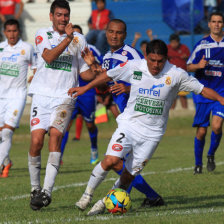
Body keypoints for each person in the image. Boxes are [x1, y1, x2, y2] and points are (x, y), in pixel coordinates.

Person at [69, 39, 224, 216]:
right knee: (110, 160)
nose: (156, 65)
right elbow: (108, 75)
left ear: (166, 59)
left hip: (152, 134)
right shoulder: (135, 66)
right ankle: (87, 195)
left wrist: (221, 99)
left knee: (129, 175)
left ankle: (103, 202)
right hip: (129, 125)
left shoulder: (176, 74)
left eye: (160, 61)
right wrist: (85, 88)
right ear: (146, 57)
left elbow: (202, 89)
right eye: (152, 60)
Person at [74, 20, 166, 215]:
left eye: (118, 33)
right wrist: (95, 67)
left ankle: (115, 199)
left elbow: (152, 79)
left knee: (117, 163)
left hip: (139, 119)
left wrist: (129, 87)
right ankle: (151, 197)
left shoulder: (132, 54)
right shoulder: (107, 57)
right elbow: (105, 86)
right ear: (106, 33)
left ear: (124, 35)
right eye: (111, 32)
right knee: (120, 164)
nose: (114, 36)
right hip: (126, 118)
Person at [28, 0, 95, 211]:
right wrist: (68, 38)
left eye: (66, 15)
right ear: (51, 16)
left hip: (65, 97)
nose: (63, 18)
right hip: (41, 96)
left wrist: (94, 67)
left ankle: (46, 192)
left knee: (56, 137)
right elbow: (48, 57)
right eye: (59, 15)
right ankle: (35, 188)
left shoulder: (80, 39)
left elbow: (84, 73)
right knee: (36, 141)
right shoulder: (42, 34)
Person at [187, 12, 224, 174]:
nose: (216, 24)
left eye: (220, 22)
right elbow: (188, 66)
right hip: (203, 93)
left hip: (221, 93)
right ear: (209, 24)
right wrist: (198, 66)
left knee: (216, 126)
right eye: (214, 21)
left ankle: (210, 155)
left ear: (223, 24)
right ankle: (197, 164)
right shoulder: (201, 45)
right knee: (201, 132)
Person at [60, 24, 102, 165]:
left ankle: (94, 148)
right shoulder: (65, 49)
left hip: (87, 93)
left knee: (90, 125)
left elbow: (101, 70)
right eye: (72, 35)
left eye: (77, 35)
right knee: (65, 125)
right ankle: (58, 156)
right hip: (71, 92)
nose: (74, 38)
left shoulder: (92, 50)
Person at [0, 19, 35, 178]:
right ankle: (6, 160)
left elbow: (36, 67)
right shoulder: (1, 48)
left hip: (18, 96)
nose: (12, 34)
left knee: (7, 132)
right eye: (9, 31)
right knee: (2, 134)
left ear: (18, 31)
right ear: (4, 32)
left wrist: (34, 75)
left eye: (14, 31)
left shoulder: (27, 48)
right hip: (1, 96)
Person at [167, 33, 190, 109]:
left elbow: (189, 59)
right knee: (172, 95)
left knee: (182, 94)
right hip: (171, 74)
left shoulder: (184, 48)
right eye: (172, 42)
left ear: (178, 42)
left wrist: (186, 57)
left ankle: (185, 109)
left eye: (175, 42)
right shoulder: (167, 48)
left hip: (182, 74)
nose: (174, 44)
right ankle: (172, 110)